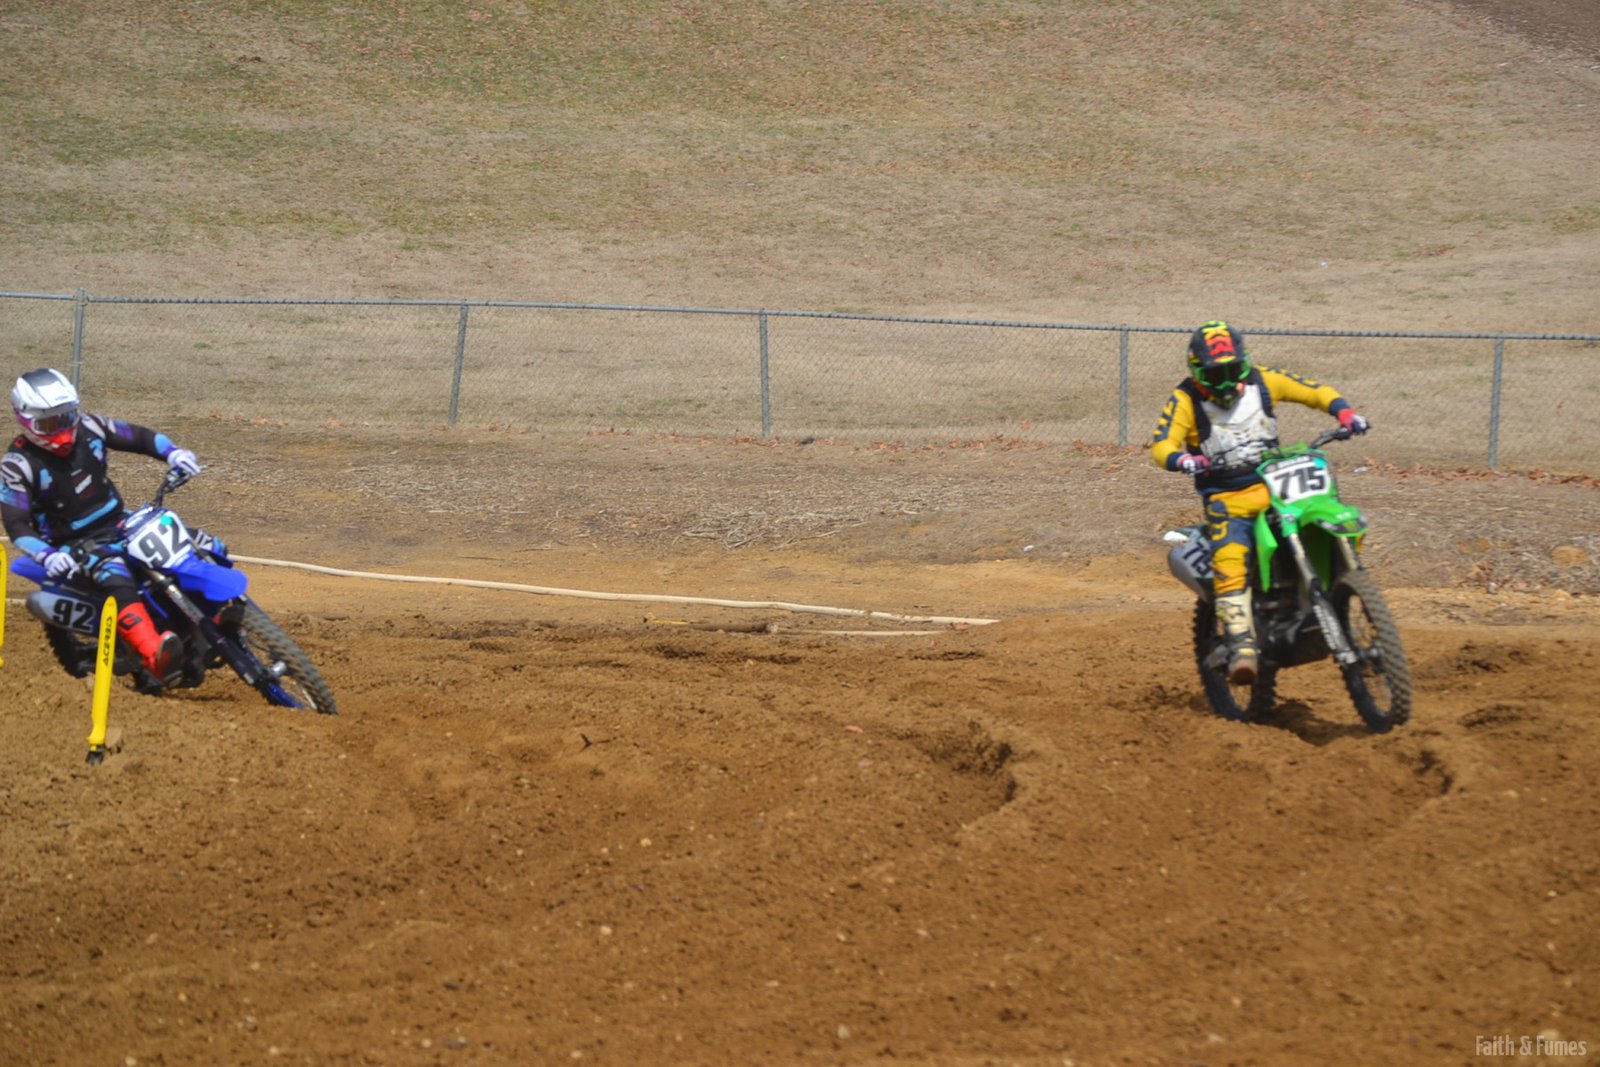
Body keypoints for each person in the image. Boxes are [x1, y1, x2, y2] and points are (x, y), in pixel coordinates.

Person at [1150, 321, 1369, 685]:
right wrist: (1182, 459)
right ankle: (1241, 644)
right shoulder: (1185, 399)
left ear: (1245, 363)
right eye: (1216, 374)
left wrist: (1343, 412)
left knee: (1325, 511)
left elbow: (1311, 390)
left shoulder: (1263, 380)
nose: (1227, 382)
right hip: (1229, 497)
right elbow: (1162, 444)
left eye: (1233, 370)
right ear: (1198, 371)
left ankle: (1345, 586)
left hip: (1278, 483)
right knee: (1231, 556)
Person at [1, 367, 205, 677]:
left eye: (66, 417)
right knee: (116, 576)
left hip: (121, 522)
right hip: (73, 545)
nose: (62, 431)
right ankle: (153, 653)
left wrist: (173, 453)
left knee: (191, 541)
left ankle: (220, 614)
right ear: (25, 420)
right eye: (49, 424)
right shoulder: (17, 466)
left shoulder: (91, 427)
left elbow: (139, 437)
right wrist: (47, 555)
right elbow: (16, 524)